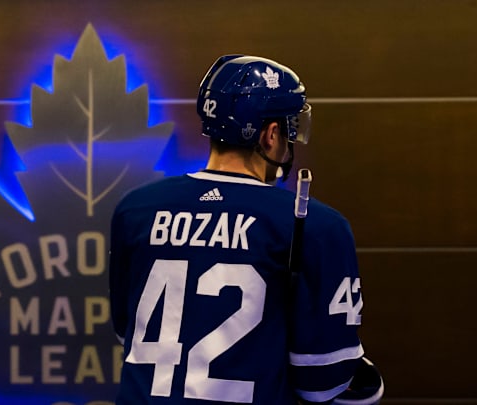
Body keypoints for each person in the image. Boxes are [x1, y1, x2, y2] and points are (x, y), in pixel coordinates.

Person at [109, 55, 382, 404]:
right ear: (271, 135)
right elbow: (322, 381)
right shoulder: (318, 225)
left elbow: (125, 329)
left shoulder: (136, 209)